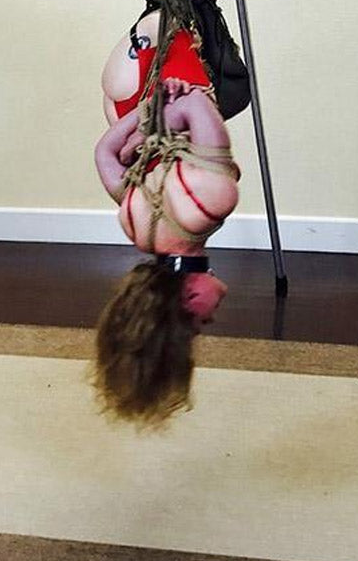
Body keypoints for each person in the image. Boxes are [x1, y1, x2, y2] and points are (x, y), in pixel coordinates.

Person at [92, 24, 239, 426]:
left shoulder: (208, 206)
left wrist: (159, 118)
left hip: (160, 52)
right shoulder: (136, 227)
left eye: (201, 324)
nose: (211, 318)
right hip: (125, 88)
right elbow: (105, 152)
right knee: (125, 96)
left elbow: (193, 106)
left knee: (228, 88)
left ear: (189, 301)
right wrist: (141, 124)